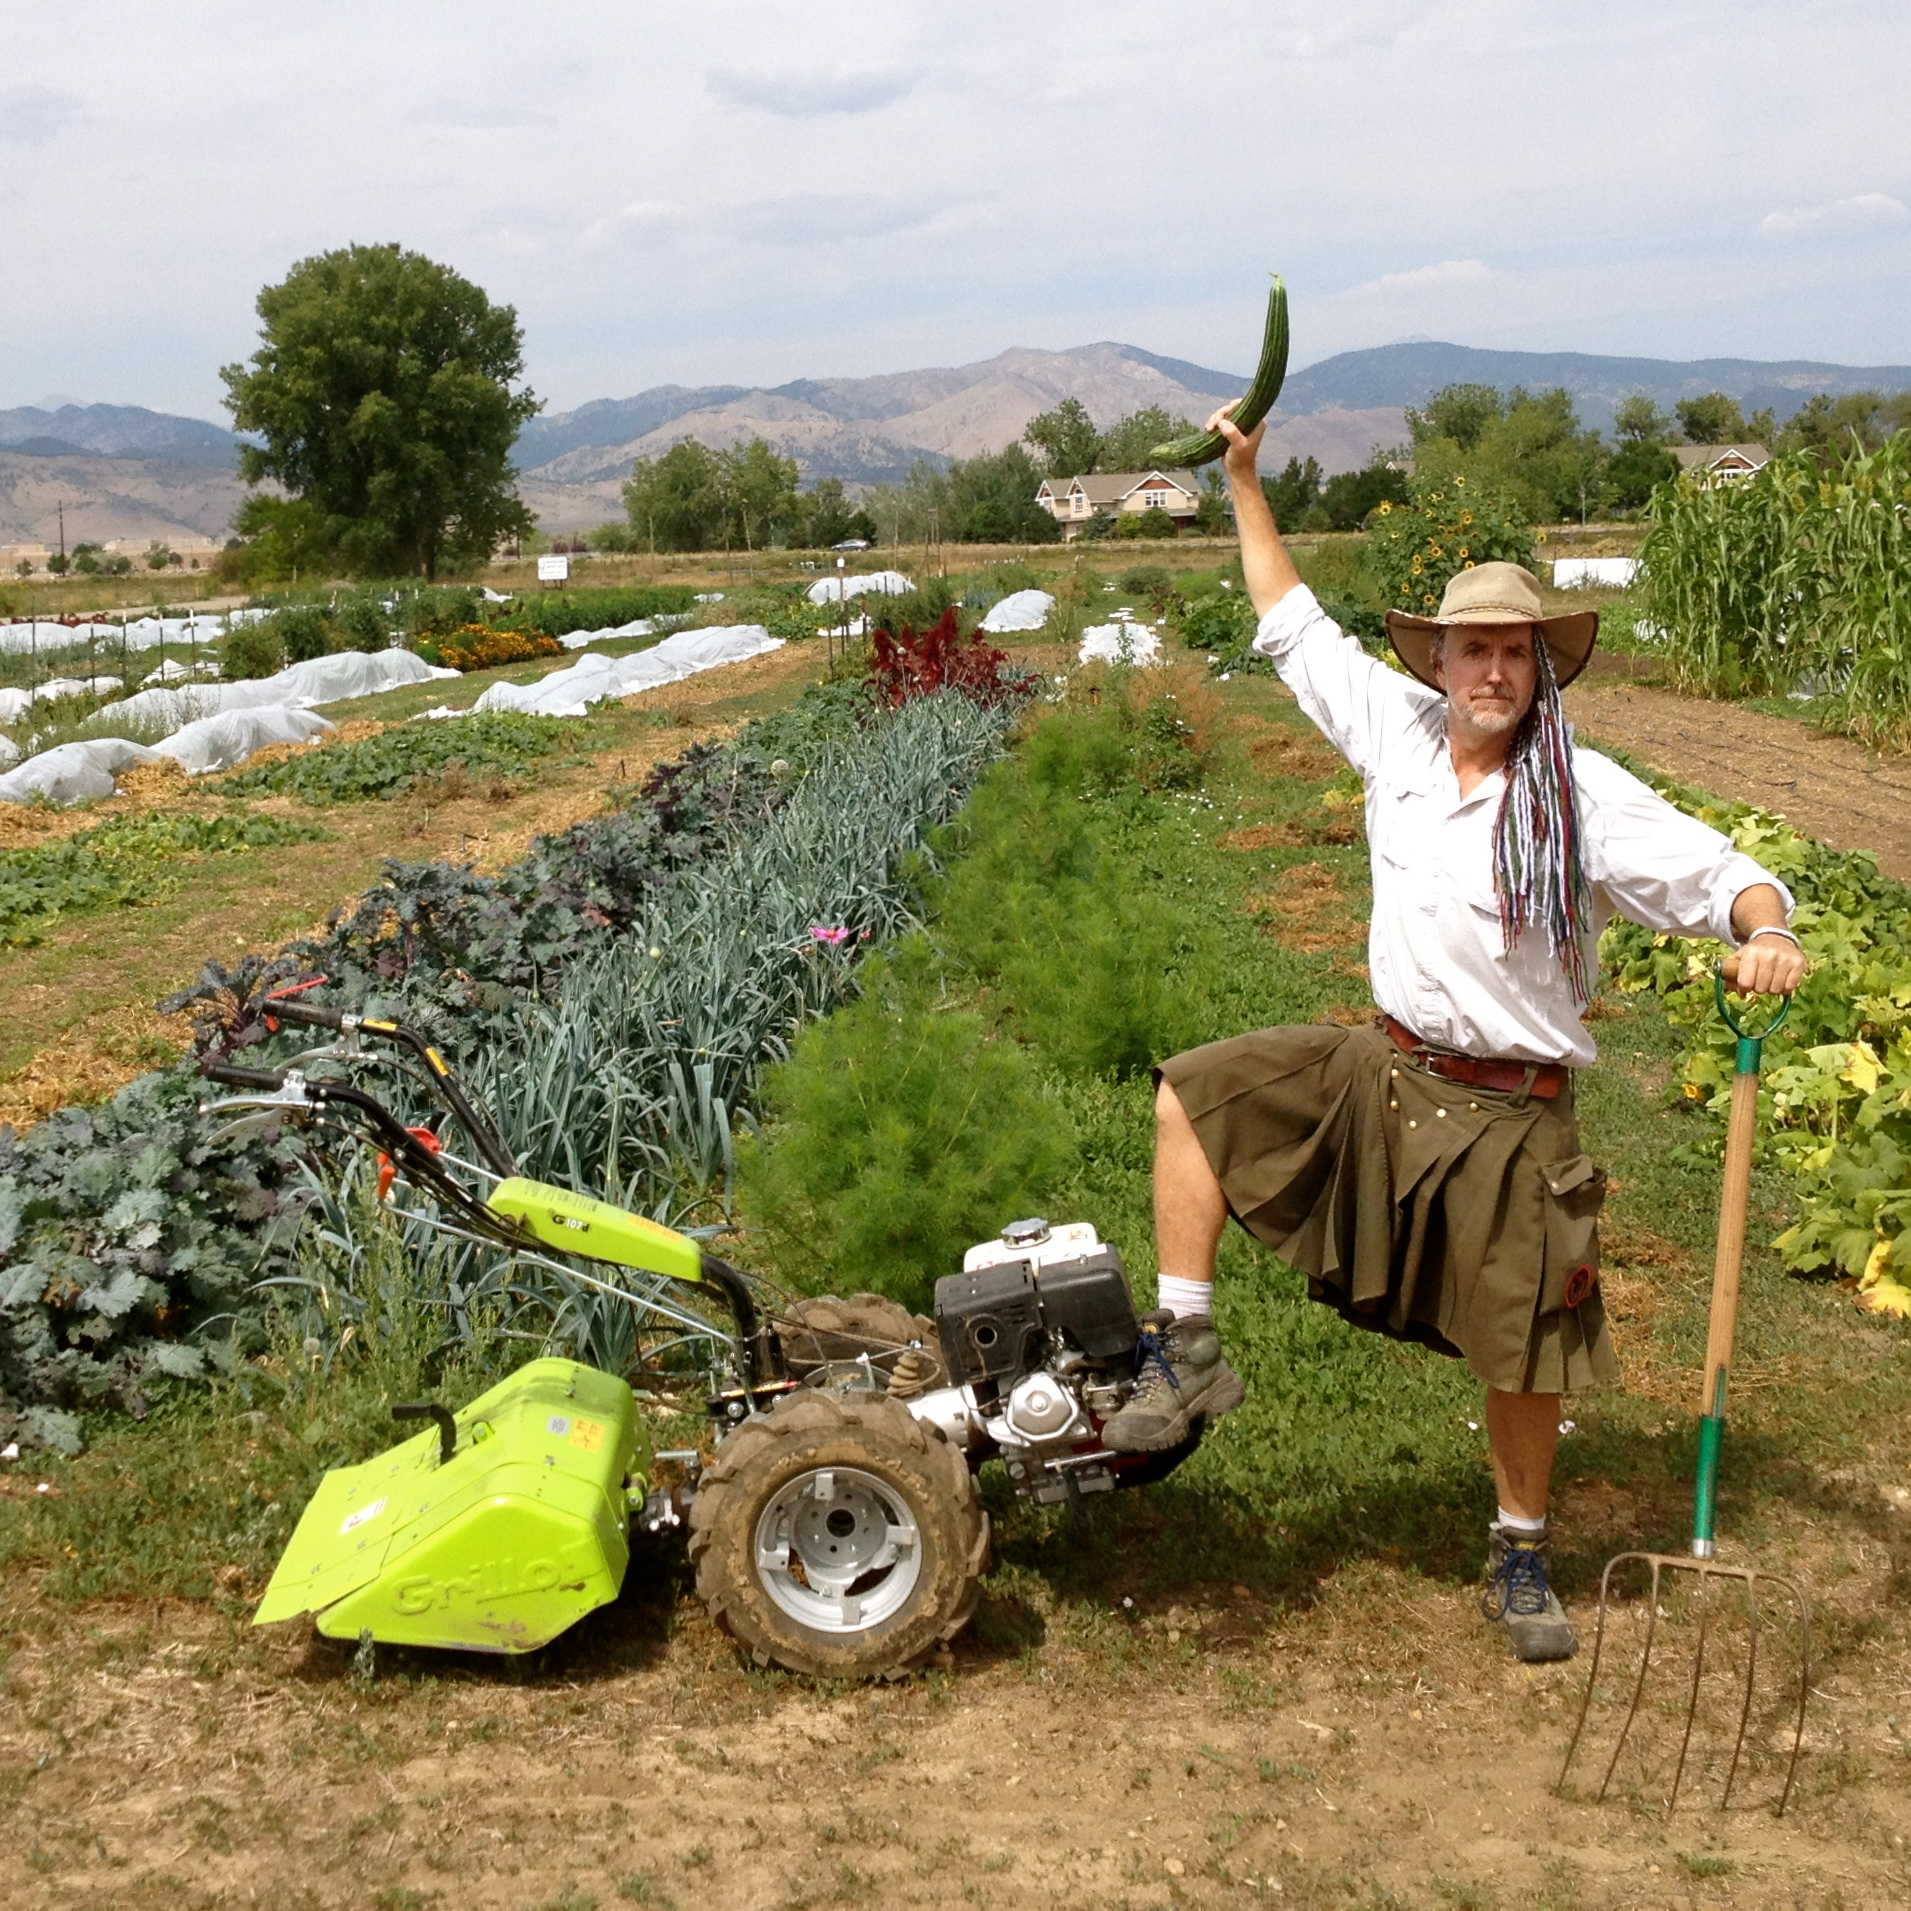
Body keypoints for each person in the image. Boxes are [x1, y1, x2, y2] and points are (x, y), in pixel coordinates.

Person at [1099, 407, 1808, 1662]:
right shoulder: (1398, 734)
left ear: (1543, 671)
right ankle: (1189, 1346)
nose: (1491, 672)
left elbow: (1723, 876)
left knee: (1525, 1346)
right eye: (1472, 649)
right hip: (1385, 1067)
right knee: (1193, 1097)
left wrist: (1767, 930)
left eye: (1514, 655)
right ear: (1438, 662)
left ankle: (1520, 1554)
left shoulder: (1581, 796)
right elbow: (1290, 622)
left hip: (1513, 1110)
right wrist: (1244, 480)